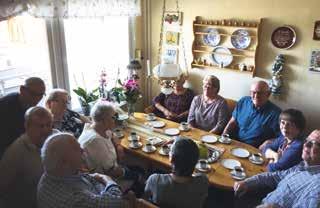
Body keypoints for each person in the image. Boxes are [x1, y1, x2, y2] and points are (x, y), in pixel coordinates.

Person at [38, 132, 135, 208]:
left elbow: (90, 178)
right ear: (64, 163)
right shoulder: (72, 198)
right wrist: (107, 179)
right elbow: (115, 201)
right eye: (76, 149)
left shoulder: (51, 174)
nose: (82, 150)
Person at [234, 130, 320, 208]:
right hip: (261, 202)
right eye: (307, 140)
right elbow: (276, 176)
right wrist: (247, 183)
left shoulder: (317, 185)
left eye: (314, 143)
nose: (306, 144)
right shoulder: (302, 166)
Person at [0, 106, 54, 208]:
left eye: (48, 124)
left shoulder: (56, 138)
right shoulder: (15, 152)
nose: (46, 130)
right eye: (40, 126)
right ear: (27, 126)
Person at [78, 102, 141, 187]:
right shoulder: (95, 141)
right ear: (104, 120)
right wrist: (131, 174)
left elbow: (111, 134)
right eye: (113, 117)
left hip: (114, 167)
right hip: (106, 182)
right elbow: (111, 171)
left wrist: (118, 146)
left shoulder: (95, 127)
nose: (116, 119)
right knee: (140, 176)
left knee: (139, 168)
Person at [144, 138, 208, 208]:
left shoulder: (155, 180)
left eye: (170, 151)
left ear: (171, 159)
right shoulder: (203, 182)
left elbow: (146, 197)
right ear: (196, 161)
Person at [223, 81, 281, 147]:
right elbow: (232, 122)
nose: (256, 96)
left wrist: (268, 142)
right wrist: (224, 136)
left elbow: (282, 138)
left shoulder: (276, 113)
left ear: (268, 94)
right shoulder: (243, 101)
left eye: (260, 93)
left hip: (253, 149)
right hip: (234, 142)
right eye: (253, 92)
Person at [0, 77, 45, 158]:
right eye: (33, 94)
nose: (36, 99)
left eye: (41, 95)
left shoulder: (28, 105)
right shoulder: (6, 107)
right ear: (22, 89)